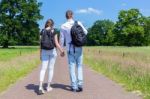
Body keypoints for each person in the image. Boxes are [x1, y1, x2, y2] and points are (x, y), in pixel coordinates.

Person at [60, 10, 88, 92]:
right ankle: (80, 84)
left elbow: (62, 39)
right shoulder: (78, 23)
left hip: (70, 49)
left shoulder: (63, 26)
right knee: (79, 66)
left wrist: (62, 50)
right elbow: (86, 32)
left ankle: (74, 86)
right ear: (72, 15)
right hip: (79, 47)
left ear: (66, 16)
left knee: (72, 67)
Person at [39, 19, 64, 95]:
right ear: (52, 24)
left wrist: (40, 54)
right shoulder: (54, 31)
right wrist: (61, 51)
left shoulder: (42, 31)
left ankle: (40, 87)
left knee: (43, 69)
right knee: (51, 69)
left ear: (46, 24)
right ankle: (48, 87)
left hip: (44, 51)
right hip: (52, 51)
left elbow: (40, 44)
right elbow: (56, 43)